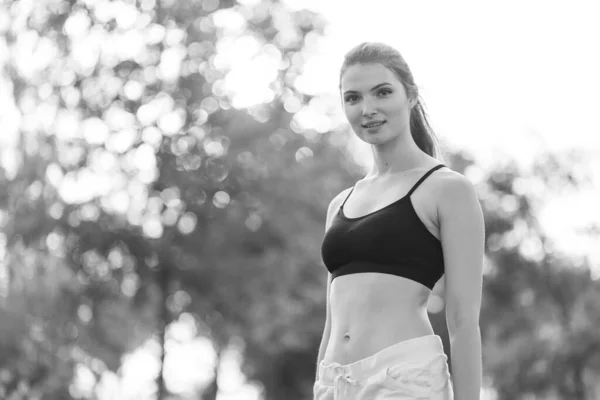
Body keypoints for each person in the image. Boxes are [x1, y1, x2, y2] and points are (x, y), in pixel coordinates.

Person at [313, 42, 485, 400]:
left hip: (402, 380)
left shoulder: (446, 189)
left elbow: (463, 322)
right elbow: (332, 321)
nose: (368, 109)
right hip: (335, 383)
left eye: (382, 92)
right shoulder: (340, 204)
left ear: (410, 96)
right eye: (353, 98)